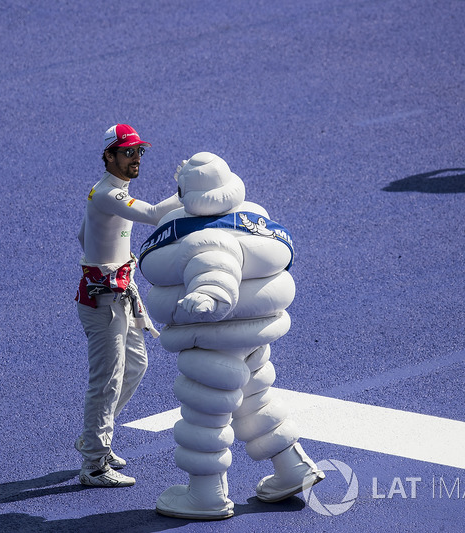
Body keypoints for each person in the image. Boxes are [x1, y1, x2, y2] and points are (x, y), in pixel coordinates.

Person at [138, 152, 324, 519]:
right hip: (253, 331)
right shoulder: (252, 214)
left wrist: (208, 297)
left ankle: (206, 496)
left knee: (204, 411)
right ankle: (293, 468)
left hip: (211, 332)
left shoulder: (201, 237)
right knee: (254, 399)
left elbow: (215, 264)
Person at [74, 124, 183, 487]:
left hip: (118, 293)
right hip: (105, 301)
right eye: (128, 152)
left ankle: (94, 438)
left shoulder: (108, 193)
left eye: (139, 152)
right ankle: (93, 464)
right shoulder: (108, 193)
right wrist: (186, 191)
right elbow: (153, 214)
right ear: (109, 156)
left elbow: (83, 235)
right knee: (106, 381)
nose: (136, 158)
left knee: (135, 364)